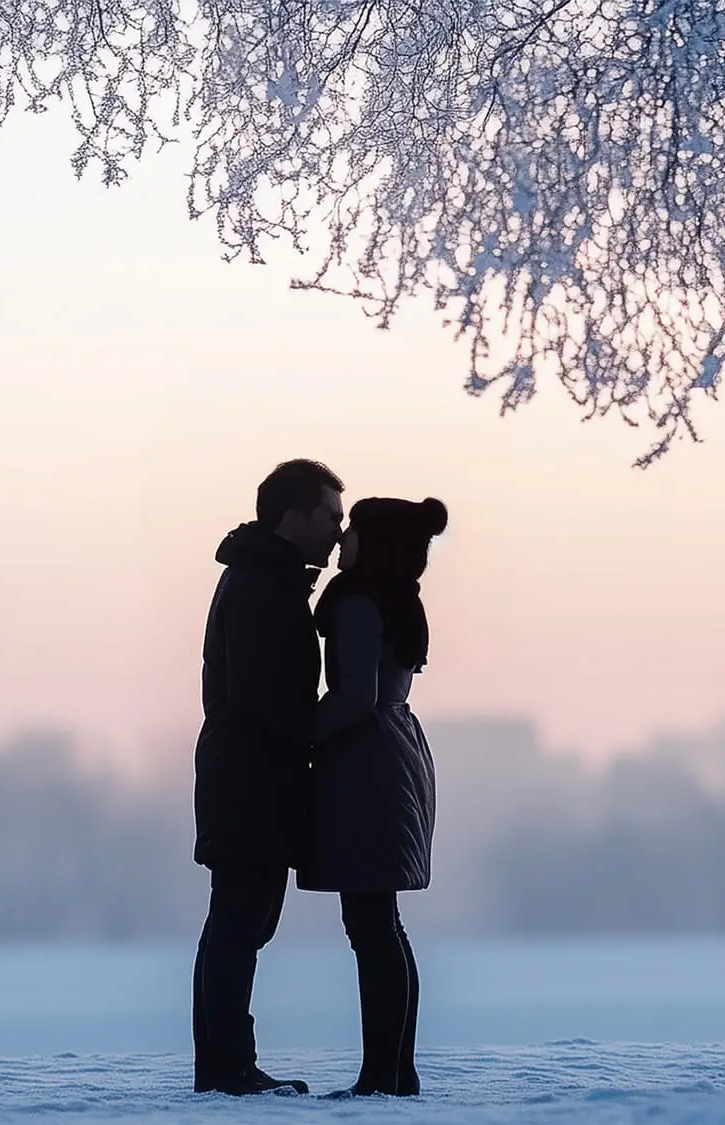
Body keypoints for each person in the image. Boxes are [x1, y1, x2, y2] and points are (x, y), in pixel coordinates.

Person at [189, 458, 343, 1096]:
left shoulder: (264, 578)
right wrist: (329, 726)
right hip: (251, 783)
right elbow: (263, 699)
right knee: (238, 925)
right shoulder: (261, 586)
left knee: (241, 924)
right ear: (294, 515)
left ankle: (229, 1065)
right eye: (330, 517)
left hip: (251, 779)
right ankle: (227, 1069)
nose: (338, 532)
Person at [300, 496, 447, 1098]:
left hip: (367, 766)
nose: (342, 540)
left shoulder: (359, 603)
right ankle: (395, 1071)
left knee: (370, 922)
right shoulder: (395, 599)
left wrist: (293, 738)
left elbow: (352, 697)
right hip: (396, 754)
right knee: (382, 921)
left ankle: (379, 1077)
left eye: (353, 528)